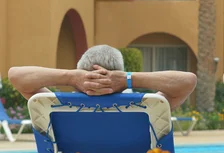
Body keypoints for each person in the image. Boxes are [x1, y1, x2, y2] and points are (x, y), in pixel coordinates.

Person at [8, 45, 196, 110]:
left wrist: (71, 77)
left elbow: (16, 76)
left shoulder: (55, 107)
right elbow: (188, 81)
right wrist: (127, 80)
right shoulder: (147, 107)